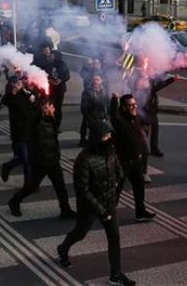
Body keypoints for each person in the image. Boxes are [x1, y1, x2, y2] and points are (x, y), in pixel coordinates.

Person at [55, 121, 135, 286]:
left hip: (109, 202)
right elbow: (83, 190)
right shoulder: (84, 159)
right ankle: (63, 249)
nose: (108, 138)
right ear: (96, 138)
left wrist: (116, 180)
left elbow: (118, 170)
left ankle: (115, 274)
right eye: (105, 136)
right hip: (90, 206)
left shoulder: (111, 151)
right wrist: (101, 211)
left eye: (109, 135)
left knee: (114, 236)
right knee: (80, 232)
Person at [7, 98, 76, 219]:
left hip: (53, 160)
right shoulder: (36, 121)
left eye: (53, 107)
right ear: (44, 108)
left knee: (61, 187)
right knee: (31, 187)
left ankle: (65, 209)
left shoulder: (51, 119)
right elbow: (35, 120)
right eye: (51, 107)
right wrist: (39, 108)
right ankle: (14, 201)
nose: (53, 109)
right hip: (41, 162)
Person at [110, 93, 155, 222]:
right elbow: (113, 117)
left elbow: (149, 119)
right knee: (116, 189)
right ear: (123, 107)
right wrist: (114, 100)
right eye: (131, 105)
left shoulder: (136, 118)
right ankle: (109, 214)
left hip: (136, 160)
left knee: (139, 187)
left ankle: (140, 213)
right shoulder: (120, 121)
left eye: (135, 104)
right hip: (123, 162)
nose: (134, 107)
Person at [1, 76, 35, 183]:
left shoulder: (28, 93)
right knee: (25, 159)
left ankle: (28, 182)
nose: (21, 83)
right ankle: (27, 183)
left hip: (31, 130)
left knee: (28, 159)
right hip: (19, 131)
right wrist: (14, 91)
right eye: (18, 82)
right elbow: (4, 101)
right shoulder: (13, 95)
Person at [80, 72, 109, 146]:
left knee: (99, 128)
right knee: (86, 126)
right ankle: (83, 140)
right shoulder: (87, 91)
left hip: (100, 114)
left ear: (101, 81)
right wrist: (87, 115)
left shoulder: (105, 91)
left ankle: (96, 141)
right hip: (90, 113)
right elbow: (84, 105)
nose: (95, 81)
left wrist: (107, 115)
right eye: (94, 79)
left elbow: (107, 103)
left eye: (97, 79)